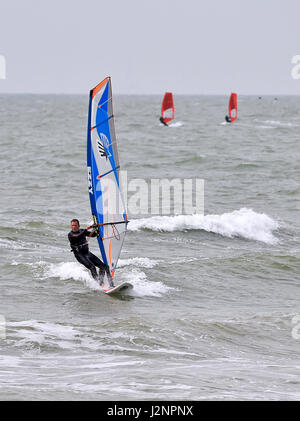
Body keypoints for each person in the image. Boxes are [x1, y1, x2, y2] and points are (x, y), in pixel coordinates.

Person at [68, 219, 114, 287]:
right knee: (92, 267)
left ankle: (110, 284)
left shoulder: (82, 231)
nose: (74, 227)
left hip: (87, 253)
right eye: (72, 225)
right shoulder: (71, 234)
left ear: (79, 226)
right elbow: (78, 236)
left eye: (75, 225)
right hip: (79, 255)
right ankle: (99, 284)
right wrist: (87, 228)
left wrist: (96, 228)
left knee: (104, 267)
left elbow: (94, 234)